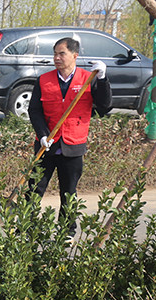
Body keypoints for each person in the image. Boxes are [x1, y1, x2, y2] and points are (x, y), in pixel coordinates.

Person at [27, 37, 112, 235]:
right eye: (55, 54)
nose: (57, 58)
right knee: (34, 189)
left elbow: (105, 106)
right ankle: (27, 229)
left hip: (73, 145)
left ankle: (67, 232)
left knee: (69, 192)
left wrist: (103, 79)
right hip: (46, 145)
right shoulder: (44, 80)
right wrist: (42, 135)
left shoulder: (88, 79)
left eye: (62, 54)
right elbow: (35, 111)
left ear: (74, 55)